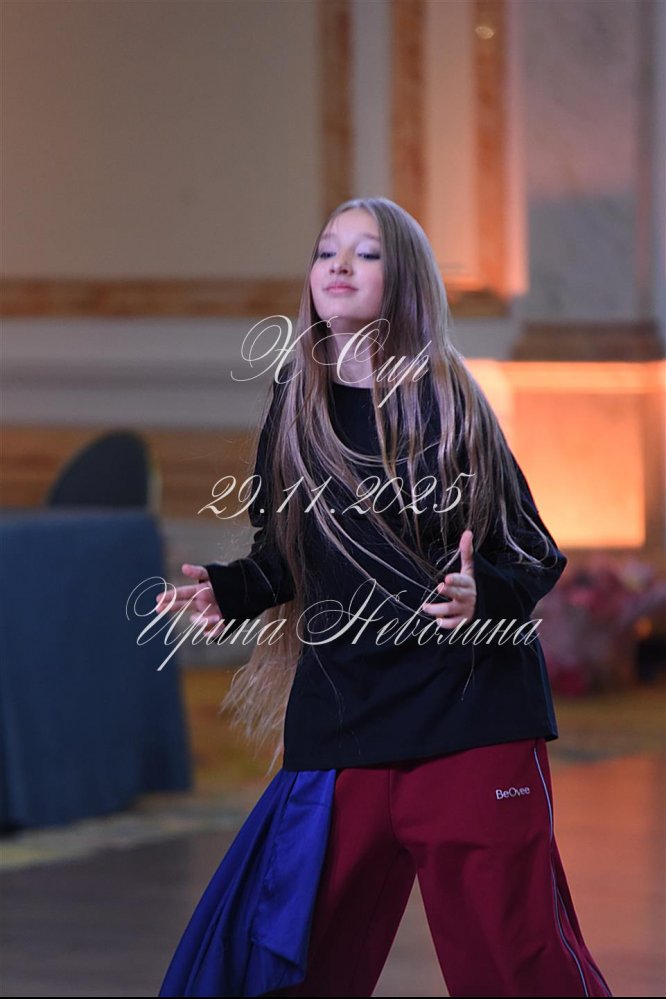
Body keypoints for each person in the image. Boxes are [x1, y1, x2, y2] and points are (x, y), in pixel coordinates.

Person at [156, 197, 612, 998]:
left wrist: (482, 595)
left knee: (516, 962)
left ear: (403, 281)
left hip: (470, 721)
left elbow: (533, 550)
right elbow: (284, 556)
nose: (339, 264)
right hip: (347, 724)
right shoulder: (295, 403)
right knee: (293, 957)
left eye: (365, 253)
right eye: (327, 250)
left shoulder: (451, 399)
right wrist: (231, 591)